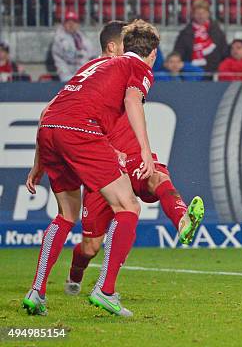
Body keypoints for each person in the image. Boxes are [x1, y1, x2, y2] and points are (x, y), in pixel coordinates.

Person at [22, 20, 159, 317]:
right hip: (80, 131)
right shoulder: (137, 66)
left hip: (50, 129)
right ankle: (106, 290)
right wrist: (145, 150)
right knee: (128, 206)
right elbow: (133, 102)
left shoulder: (92, 66)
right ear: (152, 53)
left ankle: (36, 292)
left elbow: (48, 111)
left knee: (66, 215)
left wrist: (38, 164)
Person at [64, 22, 205, 299]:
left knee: (158, 179)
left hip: (132, 154)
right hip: (104, 163)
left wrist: (141, 150)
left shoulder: (131, 71)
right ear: (111, 48)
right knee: (91, 246)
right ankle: (75, 272)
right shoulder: (94, 76)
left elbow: (132, 100)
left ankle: (182, 221)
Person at [173, 0, 228, 73]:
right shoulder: (185, 33)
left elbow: (224, 52)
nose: (201, 16)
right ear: (193, 14)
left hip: (213, 72)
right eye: (197, 13)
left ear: (208, 13)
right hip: (191, 74)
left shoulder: (217, 32)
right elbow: (179, 52)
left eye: (203, 13)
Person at [52, 11, 96, 81]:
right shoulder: (59, 38)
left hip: (82, 72)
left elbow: (92, 54)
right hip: (66, 73)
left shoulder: (82, 37)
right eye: (68, 22)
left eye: (74, 22)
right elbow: (63, 59)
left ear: (78, 24)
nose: (71, 25)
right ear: (64, 24)